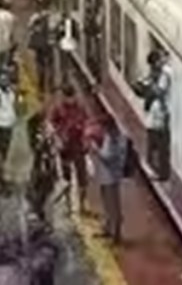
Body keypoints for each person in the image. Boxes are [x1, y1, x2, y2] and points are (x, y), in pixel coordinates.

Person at [50, 85, 89, 214]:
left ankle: (82, 205)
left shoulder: (80, 108)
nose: (70, 100)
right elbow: (51, 123)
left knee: (82, 176)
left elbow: (86, 123)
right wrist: (57, 138)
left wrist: (86, 140)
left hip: (78, 145)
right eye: (67, 97)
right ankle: (68, 205)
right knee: (67, 178)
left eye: (71, 97)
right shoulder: (58, 108)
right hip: (65, 146)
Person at [90, 115, 127, 243]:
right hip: (105, 176)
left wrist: (96, 150)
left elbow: (108, 157)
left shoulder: (114, 139)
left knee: (113, 206)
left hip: (111, 177)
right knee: (107, 204)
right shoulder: (108, 136)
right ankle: (107, 228)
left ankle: (116, 234)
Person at [136, 48, 171, 181]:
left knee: (157, 144)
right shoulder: (159, 74)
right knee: (155, 144)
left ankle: (158, 171)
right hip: (156, 115)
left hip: (159, 116)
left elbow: (159, 92)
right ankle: (155, 168)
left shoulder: (164, 74)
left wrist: (148, 86)